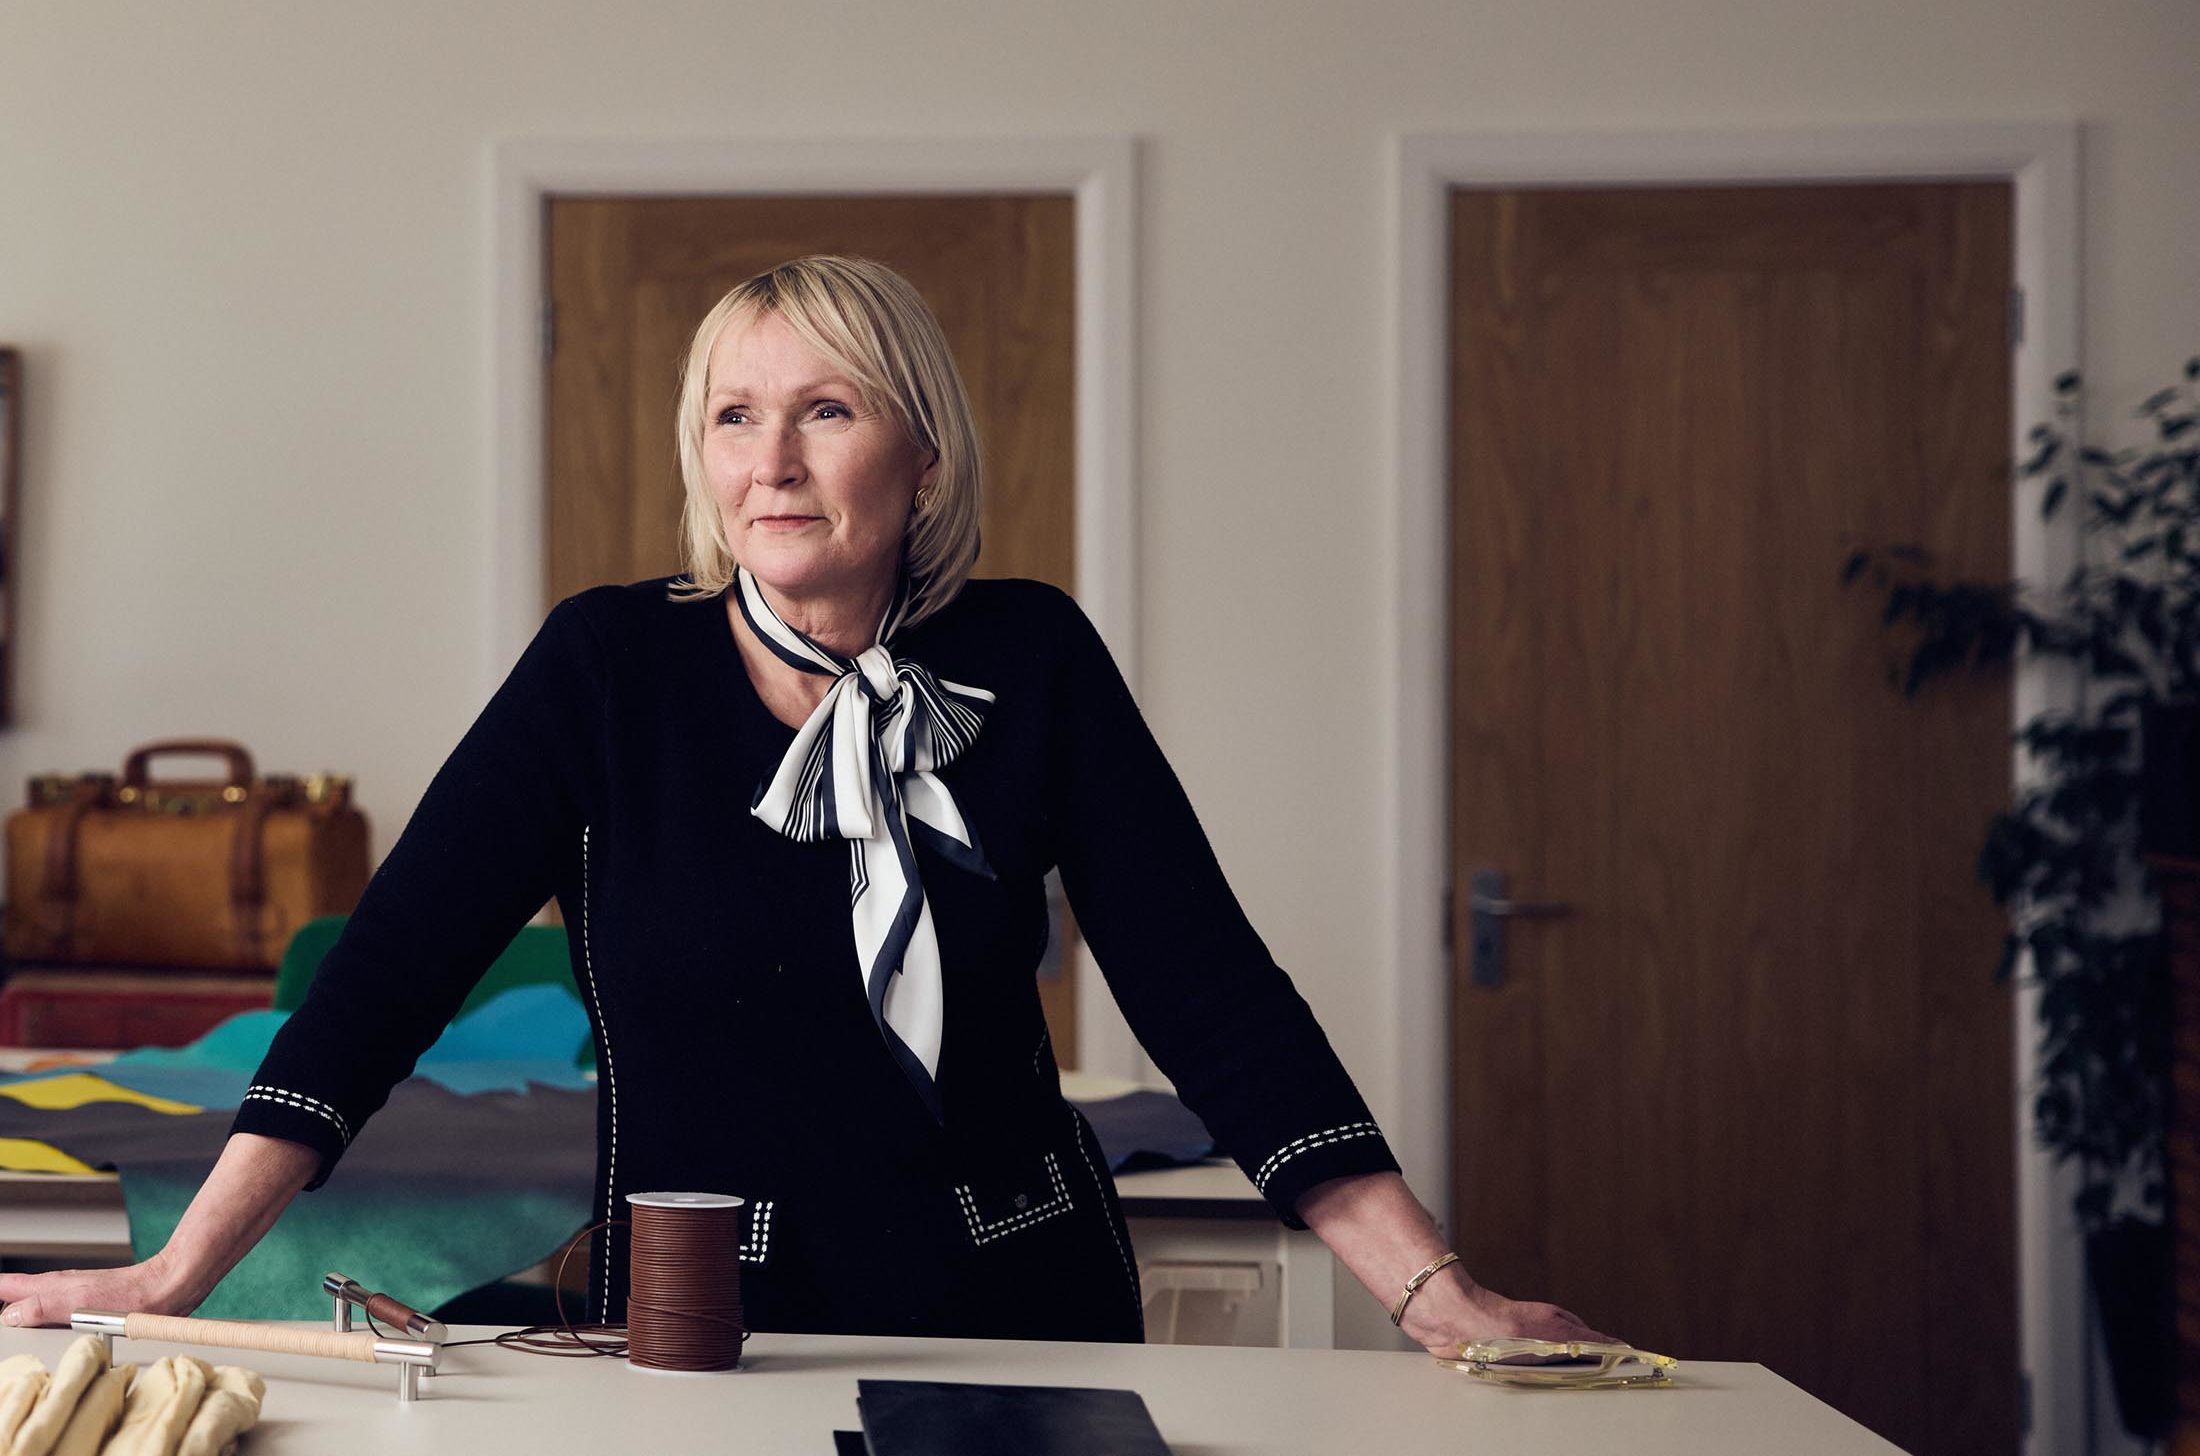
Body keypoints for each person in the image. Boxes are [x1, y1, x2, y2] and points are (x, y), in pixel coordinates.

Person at [0, 256, 1604, 1355]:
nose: (771, 461)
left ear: (923, 459)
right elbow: (388, 975)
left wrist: (1432, 1293)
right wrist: (179, 1268)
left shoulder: (1032, 657)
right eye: (734, 415)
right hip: (702, 1324)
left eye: (826, 410)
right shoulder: (608, 666)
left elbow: (1212, 993)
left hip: (1017, 1308)